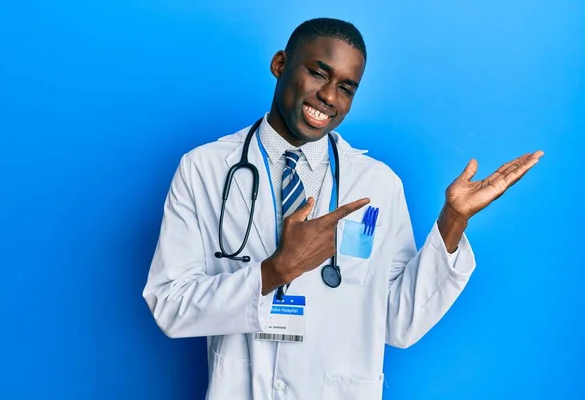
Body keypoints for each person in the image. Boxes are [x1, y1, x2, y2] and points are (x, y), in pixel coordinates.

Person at [142, 17, 543, 400]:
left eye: (347, 87)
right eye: (318, 73)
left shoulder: (377, 184)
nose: (329, 97)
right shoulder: (205, 169)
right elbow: (169, 306)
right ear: (280, 64)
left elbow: (399, 322)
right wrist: (274, 271)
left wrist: (453, 222)